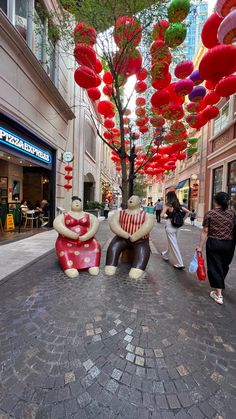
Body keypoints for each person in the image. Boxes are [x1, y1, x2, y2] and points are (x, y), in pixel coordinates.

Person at [197, 192, 235, 305]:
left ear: (215, 201)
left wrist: (200, 247)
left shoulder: (210, 214)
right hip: (229, 244)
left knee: (215, 267)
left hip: (214, 243)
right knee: (224, 266)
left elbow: (205, 231)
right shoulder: (232, 214)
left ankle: (218, 295)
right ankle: (220, 285)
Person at [105, 195, 155, 279]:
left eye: (133, 199)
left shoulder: (146, 215)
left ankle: (138, 267)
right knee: (113, 247)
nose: (131, 200)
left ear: (139, 202)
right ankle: (111, 264)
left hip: (140, 241)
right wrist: (124, 234)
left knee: (143, 251)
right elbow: (113, 224)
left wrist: (135, 236)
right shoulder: (120, 213)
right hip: (122, 238)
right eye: (130, 198)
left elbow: (147, 226)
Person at [53, 196, 101, 278]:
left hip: (87, 241)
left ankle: (92, 265)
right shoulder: (64, 215)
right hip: (66, 241)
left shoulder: (89, 215)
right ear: (71, 204)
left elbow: (95, 225)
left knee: (95, 247)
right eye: (75, 202)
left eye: (79, 202)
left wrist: (86, 236)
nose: (77, 203)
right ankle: (69, 266)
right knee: (65, 251)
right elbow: (57, 224)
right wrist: (71, 234)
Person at [161, 191, 189, 269]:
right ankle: (165, 254)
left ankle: (180, 263)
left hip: (170, 225)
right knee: (173, 242)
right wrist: (183, 220)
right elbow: (188, 212)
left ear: (168, 197)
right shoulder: (178, 205)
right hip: (178, 226)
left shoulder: (168, 205)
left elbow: (161, 215)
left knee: (174, 244)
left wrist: (166, 217)